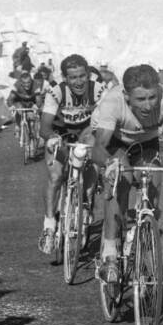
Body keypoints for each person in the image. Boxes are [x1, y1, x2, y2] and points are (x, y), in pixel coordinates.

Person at [91, 63, 163, 286]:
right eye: (140, 99)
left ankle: (146, 249)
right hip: (116, 143)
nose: (148, 105)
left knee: (153, 187)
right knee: (122, 181)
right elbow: (98, 147)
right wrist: (109, 164)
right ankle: (109, 253)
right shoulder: (113, 101)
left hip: (147, 143)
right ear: (127, 96)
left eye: (151, 97)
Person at [37, 53, 99, 255]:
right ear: (65, 78)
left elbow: (106, 121)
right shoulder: (56, 92)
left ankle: (86, 203)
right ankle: (49, 224)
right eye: (73, 77)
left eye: (82, 76)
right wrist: (52, 138)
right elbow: (44, 128)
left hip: (85, 131)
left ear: (88, 74)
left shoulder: (97, 90)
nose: (79, 81)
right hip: (60, 132)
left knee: (93, 148)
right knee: (55, 176)